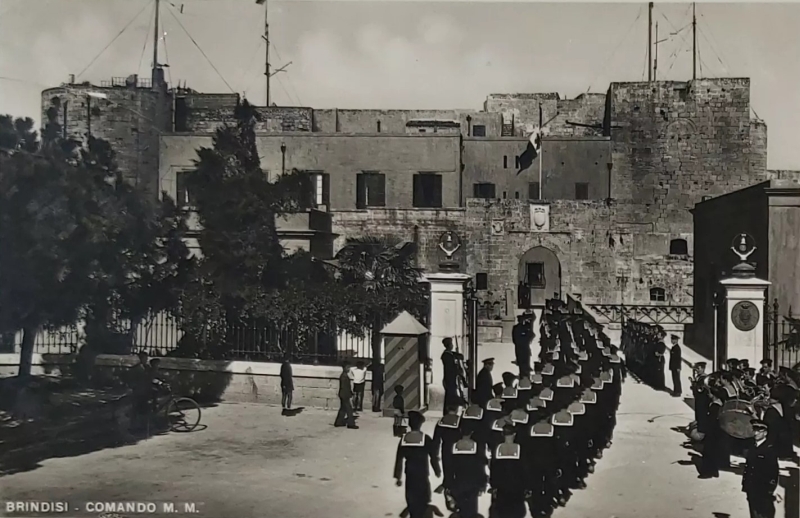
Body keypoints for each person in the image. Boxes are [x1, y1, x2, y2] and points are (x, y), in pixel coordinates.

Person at [393, 411, 442, 518]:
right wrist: (437, 470)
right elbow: (433, 457)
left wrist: (398, 476)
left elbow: (399, 459)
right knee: (424, 497)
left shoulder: (404, 439)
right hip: (422, 473)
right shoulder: (426, 439)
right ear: (420, 425)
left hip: (410, 473)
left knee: (411, 497)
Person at [742, 419, 779, 518]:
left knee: (763, 514)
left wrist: (771, 489)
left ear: (765, 433)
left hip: (763, 490)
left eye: (759, 431)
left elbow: (773, 471)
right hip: (751, 487)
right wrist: (745, 484)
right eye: (755, 430)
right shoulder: (752, 446)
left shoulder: (769, 449)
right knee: (754, 513)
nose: (756, 433)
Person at [450, 429, 487, 518]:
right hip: (473, 482)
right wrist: (483, 482)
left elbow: (450, 465)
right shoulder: (477, 446)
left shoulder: (454, 446)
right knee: (471, 509)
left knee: (462, 508)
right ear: (471, 433)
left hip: (459, 481)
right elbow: (480, 465)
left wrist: (449, 483)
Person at [441, 338, 465, 408]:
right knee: (451, 396)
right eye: (451, 344)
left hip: (450, 379)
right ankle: (450, 409)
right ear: (449, 345)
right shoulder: (447, 356)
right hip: (449, 379)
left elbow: (460, 356)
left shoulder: (449, 354)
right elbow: (451, 368)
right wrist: (458, 371)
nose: (452, 345)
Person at [334, 362, 358, 429]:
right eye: (348, 367)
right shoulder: (344, 376)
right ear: (344, 368)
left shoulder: (344, 375)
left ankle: (338, 422)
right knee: (349, 410)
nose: (349, 369)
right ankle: (351, 424)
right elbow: (345, 387)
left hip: (343, 394)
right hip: (344, 395)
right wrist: (349, 394)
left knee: (343, 409)